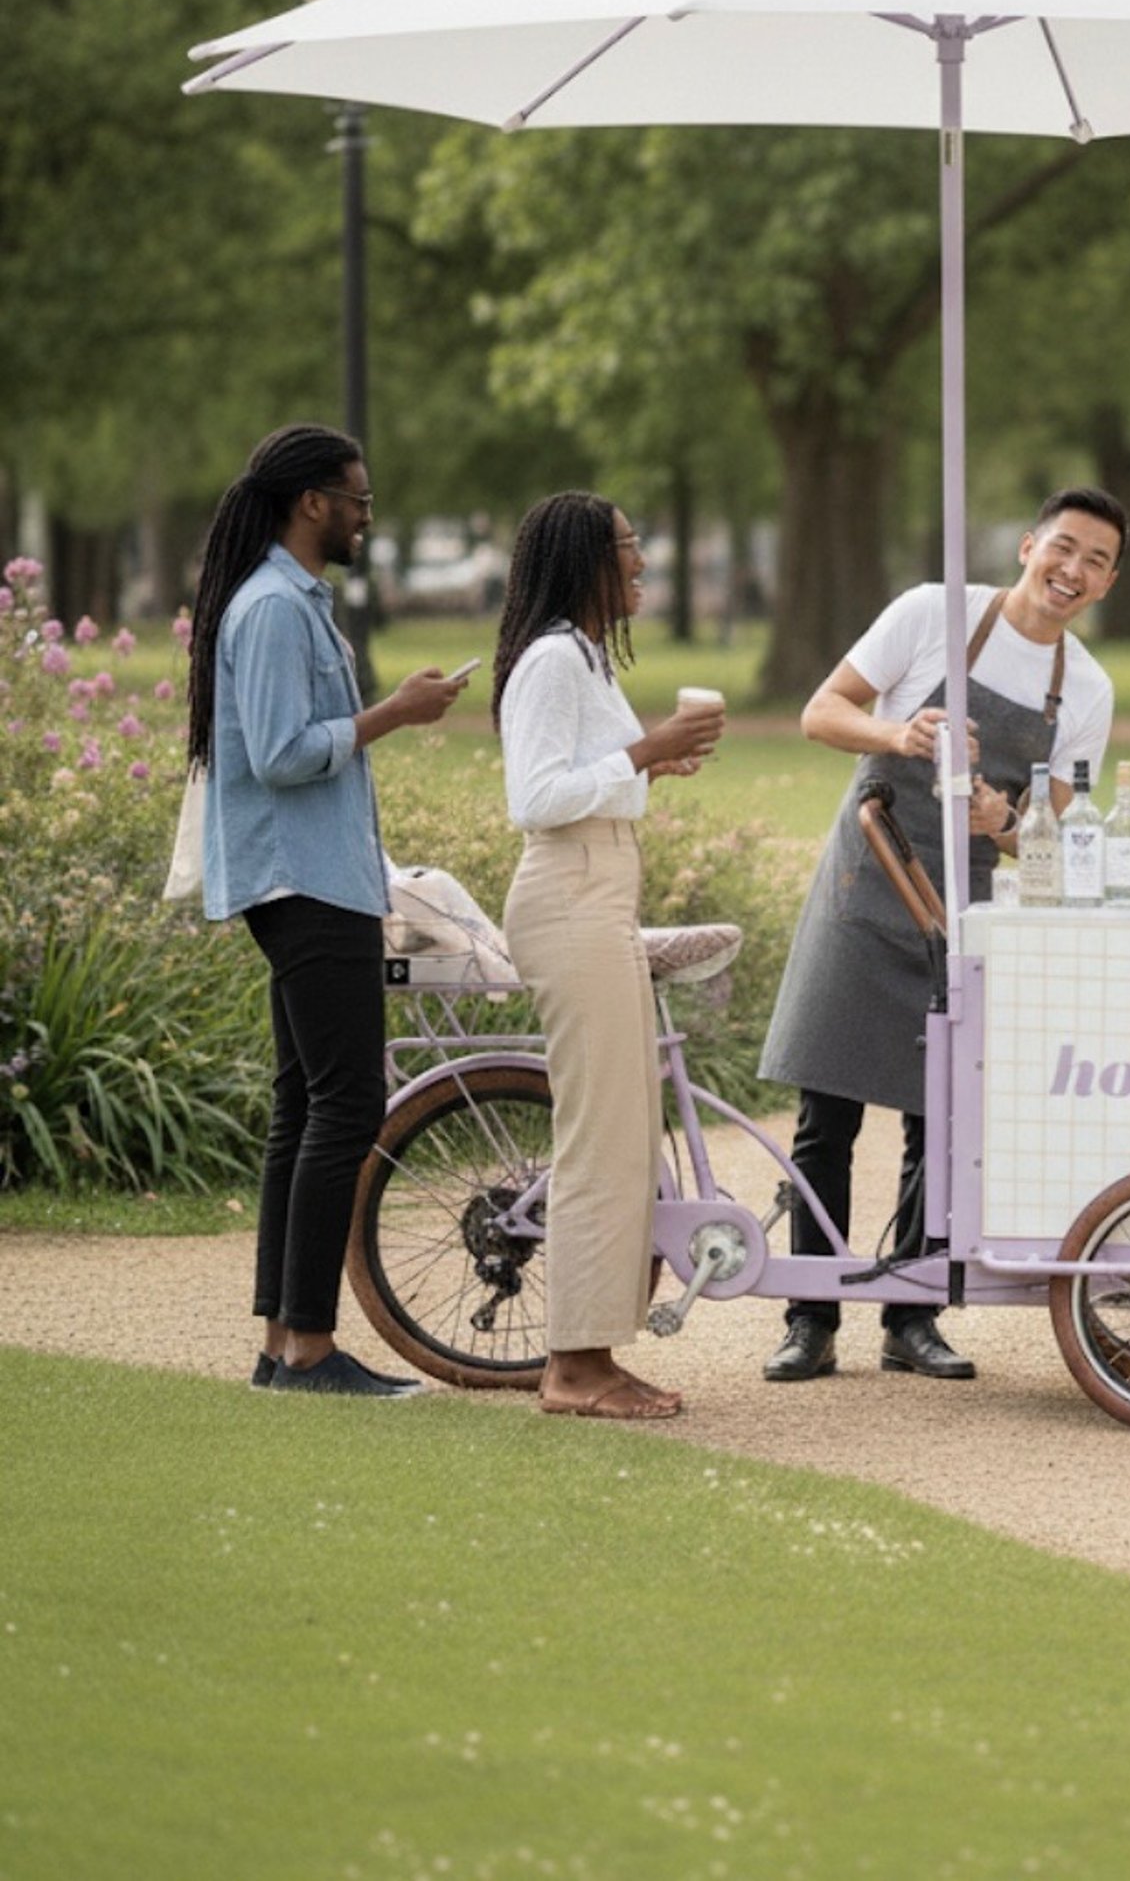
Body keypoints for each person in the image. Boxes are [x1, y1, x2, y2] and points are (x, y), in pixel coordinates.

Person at [758, 487, 1128, 1385]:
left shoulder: (1084, 690)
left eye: (1096, 562)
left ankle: (912, 1317)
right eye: (1064, 548)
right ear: (1029, 543)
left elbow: (1061, 830)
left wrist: (1006, 819)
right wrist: (900, 731)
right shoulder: (933, 614)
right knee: (827, 1115)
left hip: (959, 911)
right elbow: (820, 712)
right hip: (865, 880)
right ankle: (810, 1316)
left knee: (938, 1120)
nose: (1072, 572)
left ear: (1110, 583)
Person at [188, 423, 468, 1396]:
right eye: (358, 500)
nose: (364, 519)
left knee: (305, 1107)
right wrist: (392, 712)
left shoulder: (289, 601)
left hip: (318, 879)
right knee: (346, 1107)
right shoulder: (272, 609)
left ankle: (282, 1343)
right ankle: (309, 1346)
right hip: (304, 884)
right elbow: (279, 754)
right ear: (313, 502)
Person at [494, 492, 726, 1424]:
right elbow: (536, 798)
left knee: (627, 1138)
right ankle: (574, 1368)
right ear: (582, 560)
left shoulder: (585, 657)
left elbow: (591, 778)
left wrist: (649, 765)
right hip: (568, 898)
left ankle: (596, 1352)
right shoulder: (552, 659)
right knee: (598, 1141)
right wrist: (645, 749)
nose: (640, 566)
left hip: (601, 891)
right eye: (626, 551)